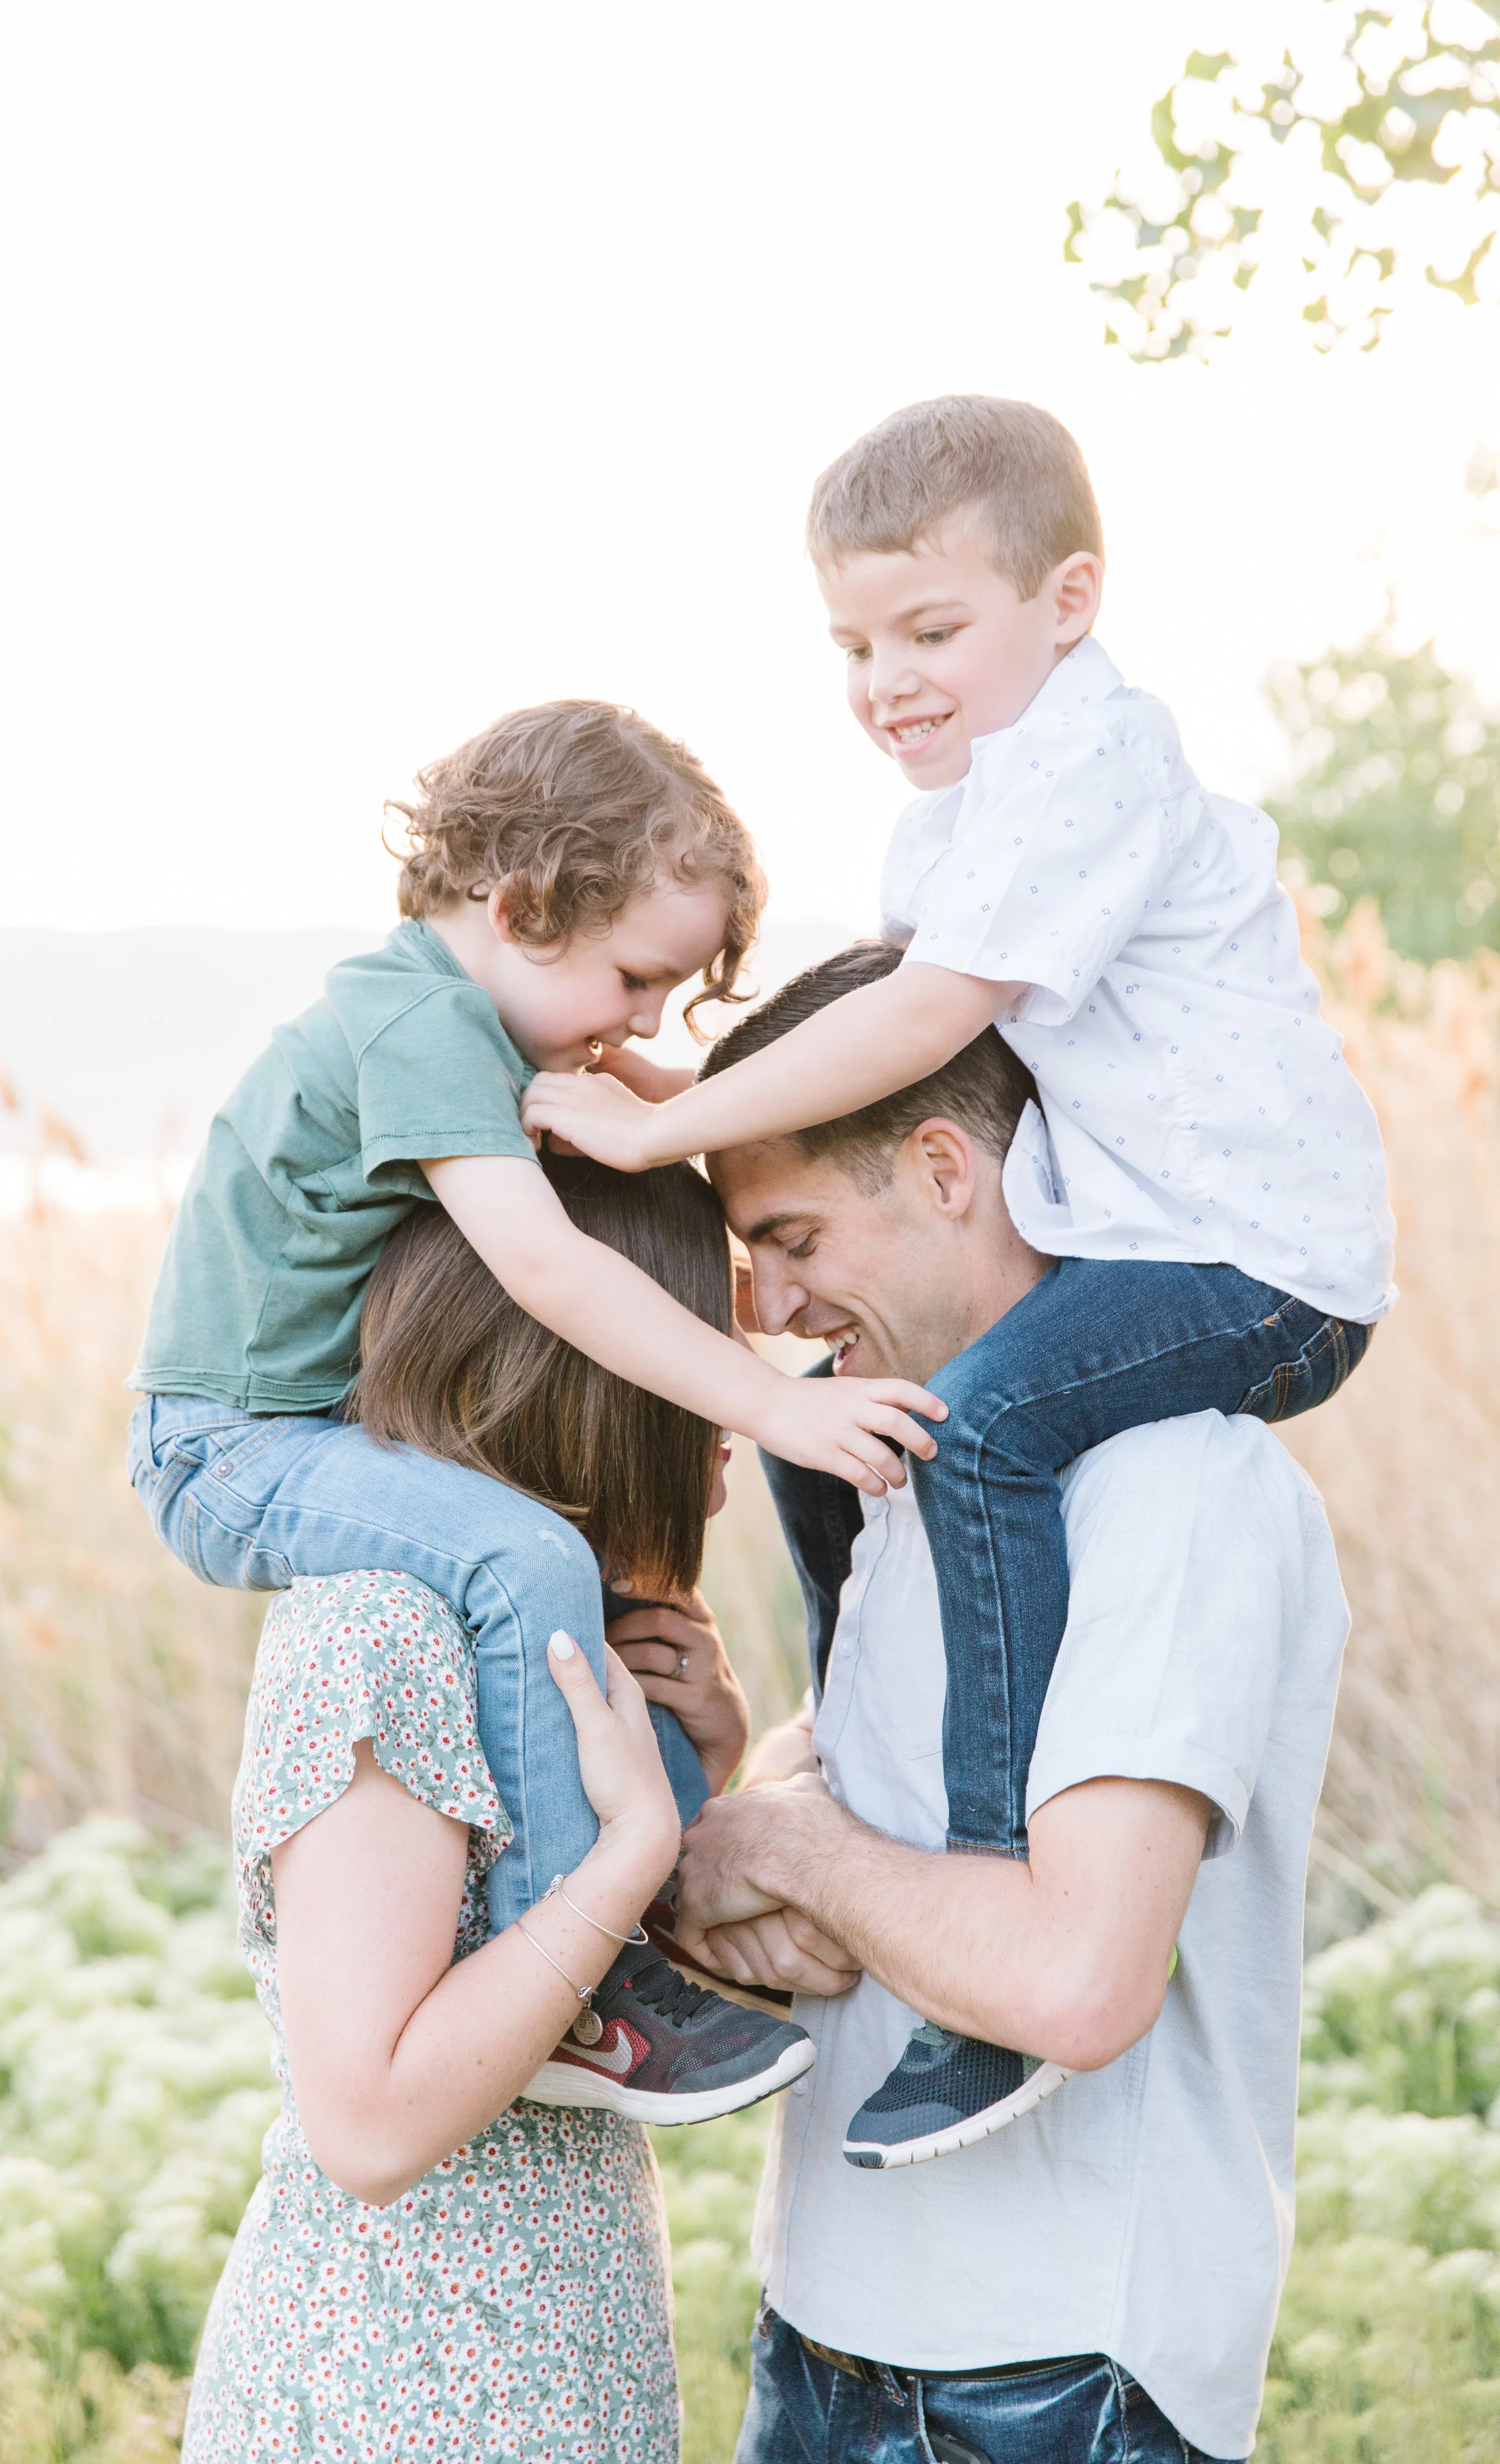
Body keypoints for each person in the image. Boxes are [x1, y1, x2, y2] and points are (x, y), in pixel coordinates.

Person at [521, 399, 1392, 2161]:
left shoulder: (1097, 768)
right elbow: (875, 1067)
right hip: (1148, 1244)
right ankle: (853, 1731)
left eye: (930, 630)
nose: (884, 678)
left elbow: (920, 1030)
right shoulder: (961, 824)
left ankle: (990, 1873)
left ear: (1067, 599)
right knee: (813, 1421)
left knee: (983, 1427)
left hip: (1257, 1262)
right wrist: (639, 1078)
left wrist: (645, 1136)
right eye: (851, 642)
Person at [129, 700, 941, 2121]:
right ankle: (576, 1976)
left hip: (278, 1433)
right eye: (636, 978)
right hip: (224, 1446)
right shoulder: (418, 1026)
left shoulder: (450, 1017)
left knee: (540, 1586)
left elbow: (639, 1107)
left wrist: (657, 1091)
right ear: (520, 906)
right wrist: (769, 1401)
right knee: (520, 1558)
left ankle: (624, 1925)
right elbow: (550, 1266)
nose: (637, 1021)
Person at [667, 944, 1352, 2464]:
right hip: (832, 2327)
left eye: (789, 1237)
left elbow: (1071, 1983)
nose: (769, 1306)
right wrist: (746, 1803)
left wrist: (789, 1858)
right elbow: (859, 1776)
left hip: (1051, 2377)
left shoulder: (1169, 1485)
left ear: (938, 1167)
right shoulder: (918, 1457)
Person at [183, 1154, 770, 2461]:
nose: (740, 1390)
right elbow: (372, 2121)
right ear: (589, 1368)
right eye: (698, 1345)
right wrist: (629, 1854)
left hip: (538, 2359)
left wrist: (701, 1770)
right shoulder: (385, 1631)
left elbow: (567, 1995)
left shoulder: (545, 1631)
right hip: (406, 2384)